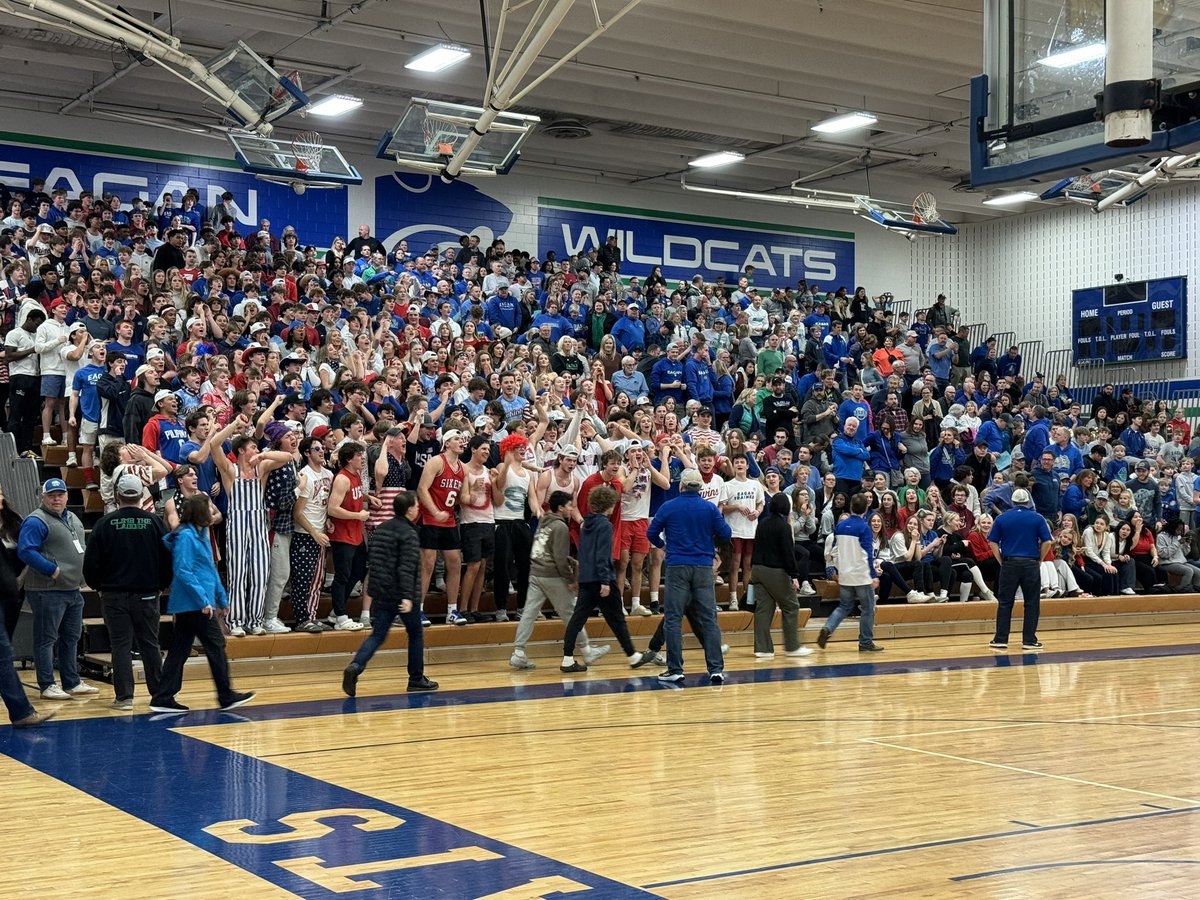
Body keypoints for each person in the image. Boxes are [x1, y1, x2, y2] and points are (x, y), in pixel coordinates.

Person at [149, 494, 255, 714]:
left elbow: (210, 570)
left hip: (198, 603)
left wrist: (222, 599)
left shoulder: (201, 534)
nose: (213, 511)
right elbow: (183, 571)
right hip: (193, 604)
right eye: (209, 508)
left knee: (180, 650)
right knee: (216, 643)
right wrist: (203, 600)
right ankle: (225, 695)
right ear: (200, 512)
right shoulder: (186, 537)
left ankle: (163, 697)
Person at [81, 472, 172, 710]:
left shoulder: (104, 524)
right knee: (150, 644)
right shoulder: (154, 523)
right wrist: (160, 585)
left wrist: (98, 586)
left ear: (117, 495)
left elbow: (90, 564)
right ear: (141, 495)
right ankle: (159, 695)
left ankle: (124, 698)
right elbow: (168, 559)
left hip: (113, 595)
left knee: (120, 645)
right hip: (147, 594)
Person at [342, 491, 438, 696]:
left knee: (377, 635)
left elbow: (374, 564)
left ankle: (356, 666)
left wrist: (374, 591)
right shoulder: (410, 533)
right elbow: (406, 567)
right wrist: (407, 596)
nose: (418, 508)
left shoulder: (381, 529)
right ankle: (416, 678)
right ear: (409, 510)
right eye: (416, 505)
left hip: (382, 593)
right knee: (415, 634)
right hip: (402, 594)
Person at [17, 478, 100, 700]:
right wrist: (51, 570)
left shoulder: (72, 517)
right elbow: (25, 550)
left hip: (72, 589)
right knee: (46, 638)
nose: (56, 499)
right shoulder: (36, 521)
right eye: (51, 495)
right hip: (47, 590)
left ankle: (71, 682)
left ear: (66, 496)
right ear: (43, 497)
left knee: (71, 636)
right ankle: (47, 684)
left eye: (60, 494)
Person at [647, 469, 732, 683]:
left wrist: (663, 546)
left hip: (677, 566)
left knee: (673, 618)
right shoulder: (709, 508)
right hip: (703, 566)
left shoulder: (668, 506)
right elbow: (726, 533)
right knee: (709, 618)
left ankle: (675, 669)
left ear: (681, 485)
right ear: (700, 487)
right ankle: (716, 669)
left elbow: (651, 533)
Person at [510, 490, 609, 670]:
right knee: (571, 613)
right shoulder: (561, 527)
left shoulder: (543, 521)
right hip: (552, 575)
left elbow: (544, 549)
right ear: (561, 508)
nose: (572, 509)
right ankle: (587, 650)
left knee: (529, 613)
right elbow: (559, 558)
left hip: (535, 572)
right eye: (570, 506)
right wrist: (570, 579)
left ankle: (518, 652)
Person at [560, 485, 653, 672]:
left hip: (586, 579)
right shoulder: (605, 526)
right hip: (602, 580)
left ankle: (567, 659)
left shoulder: (585, 524)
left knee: (577, 619)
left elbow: (584, 553)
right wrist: (604, 581)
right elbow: (603, 555)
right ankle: (633, 656)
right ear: (609, 505)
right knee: (617, 619)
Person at [987, 488, 1053, 652]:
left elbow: (992, 541)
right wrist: (1040, 559)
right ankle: (1029, 640)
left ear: (1012, 501)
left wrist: (1000, 560)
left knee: (1005, 602)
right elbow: (1047, 541)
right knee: (1032, 603)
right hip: (1031, 563)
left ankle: (1000, 639)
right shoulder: (1037, 518)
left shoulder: (1002, 518)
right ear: (1028, 501)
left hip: (1009, 563)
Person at [818, 492, 885, 652]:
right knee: (868, 608)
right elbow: (867, 554)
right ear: (866, 508)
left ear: (850, 507)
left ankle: (828, 627)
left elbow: (835, 550)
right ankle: (865, 642)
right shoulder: (864, 528)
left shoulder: (840, 526)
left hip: (845, 574)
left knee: (844, 606)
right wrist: (873, 575)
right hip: (861, 575)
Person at [750, 493, 814, 659]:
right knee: (791, 606)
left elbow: (756, 547)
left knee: (764, 609)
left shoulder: (762, 523)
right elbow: (788, 553)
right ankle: (792, 647)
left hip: (757, 569)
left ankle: (762, 649)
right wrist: (794, 575)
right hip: (774, 571)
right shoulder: (784, 526)